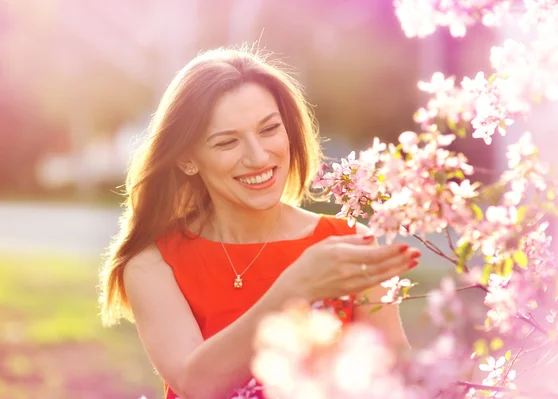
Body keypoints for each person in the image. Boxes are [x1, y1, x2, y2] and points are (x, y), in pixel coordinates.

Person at [98, 46, 421, 399]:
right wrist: (295, 288)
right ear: (188, 160)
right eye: (227, 142)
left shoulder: (349, 245)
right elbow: (195, 383)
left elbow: (396, 381)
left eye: (269, 129)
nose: (258, 156)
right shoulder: (152, 263)